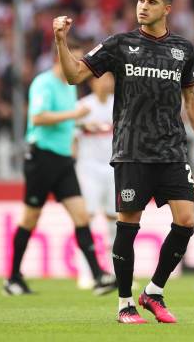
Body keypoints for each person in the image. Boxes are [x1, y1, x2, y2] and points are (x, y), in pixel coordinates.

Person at [52, 0, 194, 324]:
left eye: (152, 2)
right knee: (128, 225)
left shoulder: (183, 49)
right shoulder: (119, 44)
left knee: (186, 221)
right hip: (132, 150)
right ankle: (125, 304)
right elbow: (73, 76)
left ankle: (153, 292)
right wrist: (60, 40)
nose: (143, 6)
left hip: (172, 149)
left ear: (167, 9)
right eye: (141, 0)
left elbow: (190, 98)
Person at [3, 41, 117, 297]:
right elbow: (38, 118)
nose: (76, 66)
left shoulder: (69, 86)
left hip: (64, 160)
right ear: (59, 59)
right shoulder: (44, 83)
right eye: (73, 60)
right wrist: (73, 116)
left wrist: (84, 127)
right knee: (29, 219)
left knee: (81, 216)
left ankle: (98, 276)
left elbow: (69, 123)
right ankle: (12, 278)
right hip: (42, 157)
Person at [74, 73, 116, 290]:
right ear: (92, 82)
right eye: (103, 79)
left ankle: (116, 271)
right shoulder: (82, 106)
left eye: (110, 79)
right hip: (88, 170)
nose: (107, 83)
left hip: (113, 169)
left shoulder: (118, 105)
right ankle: (86, 272)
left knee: (114, 221)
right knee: (86, 219)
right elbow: (71, 135)